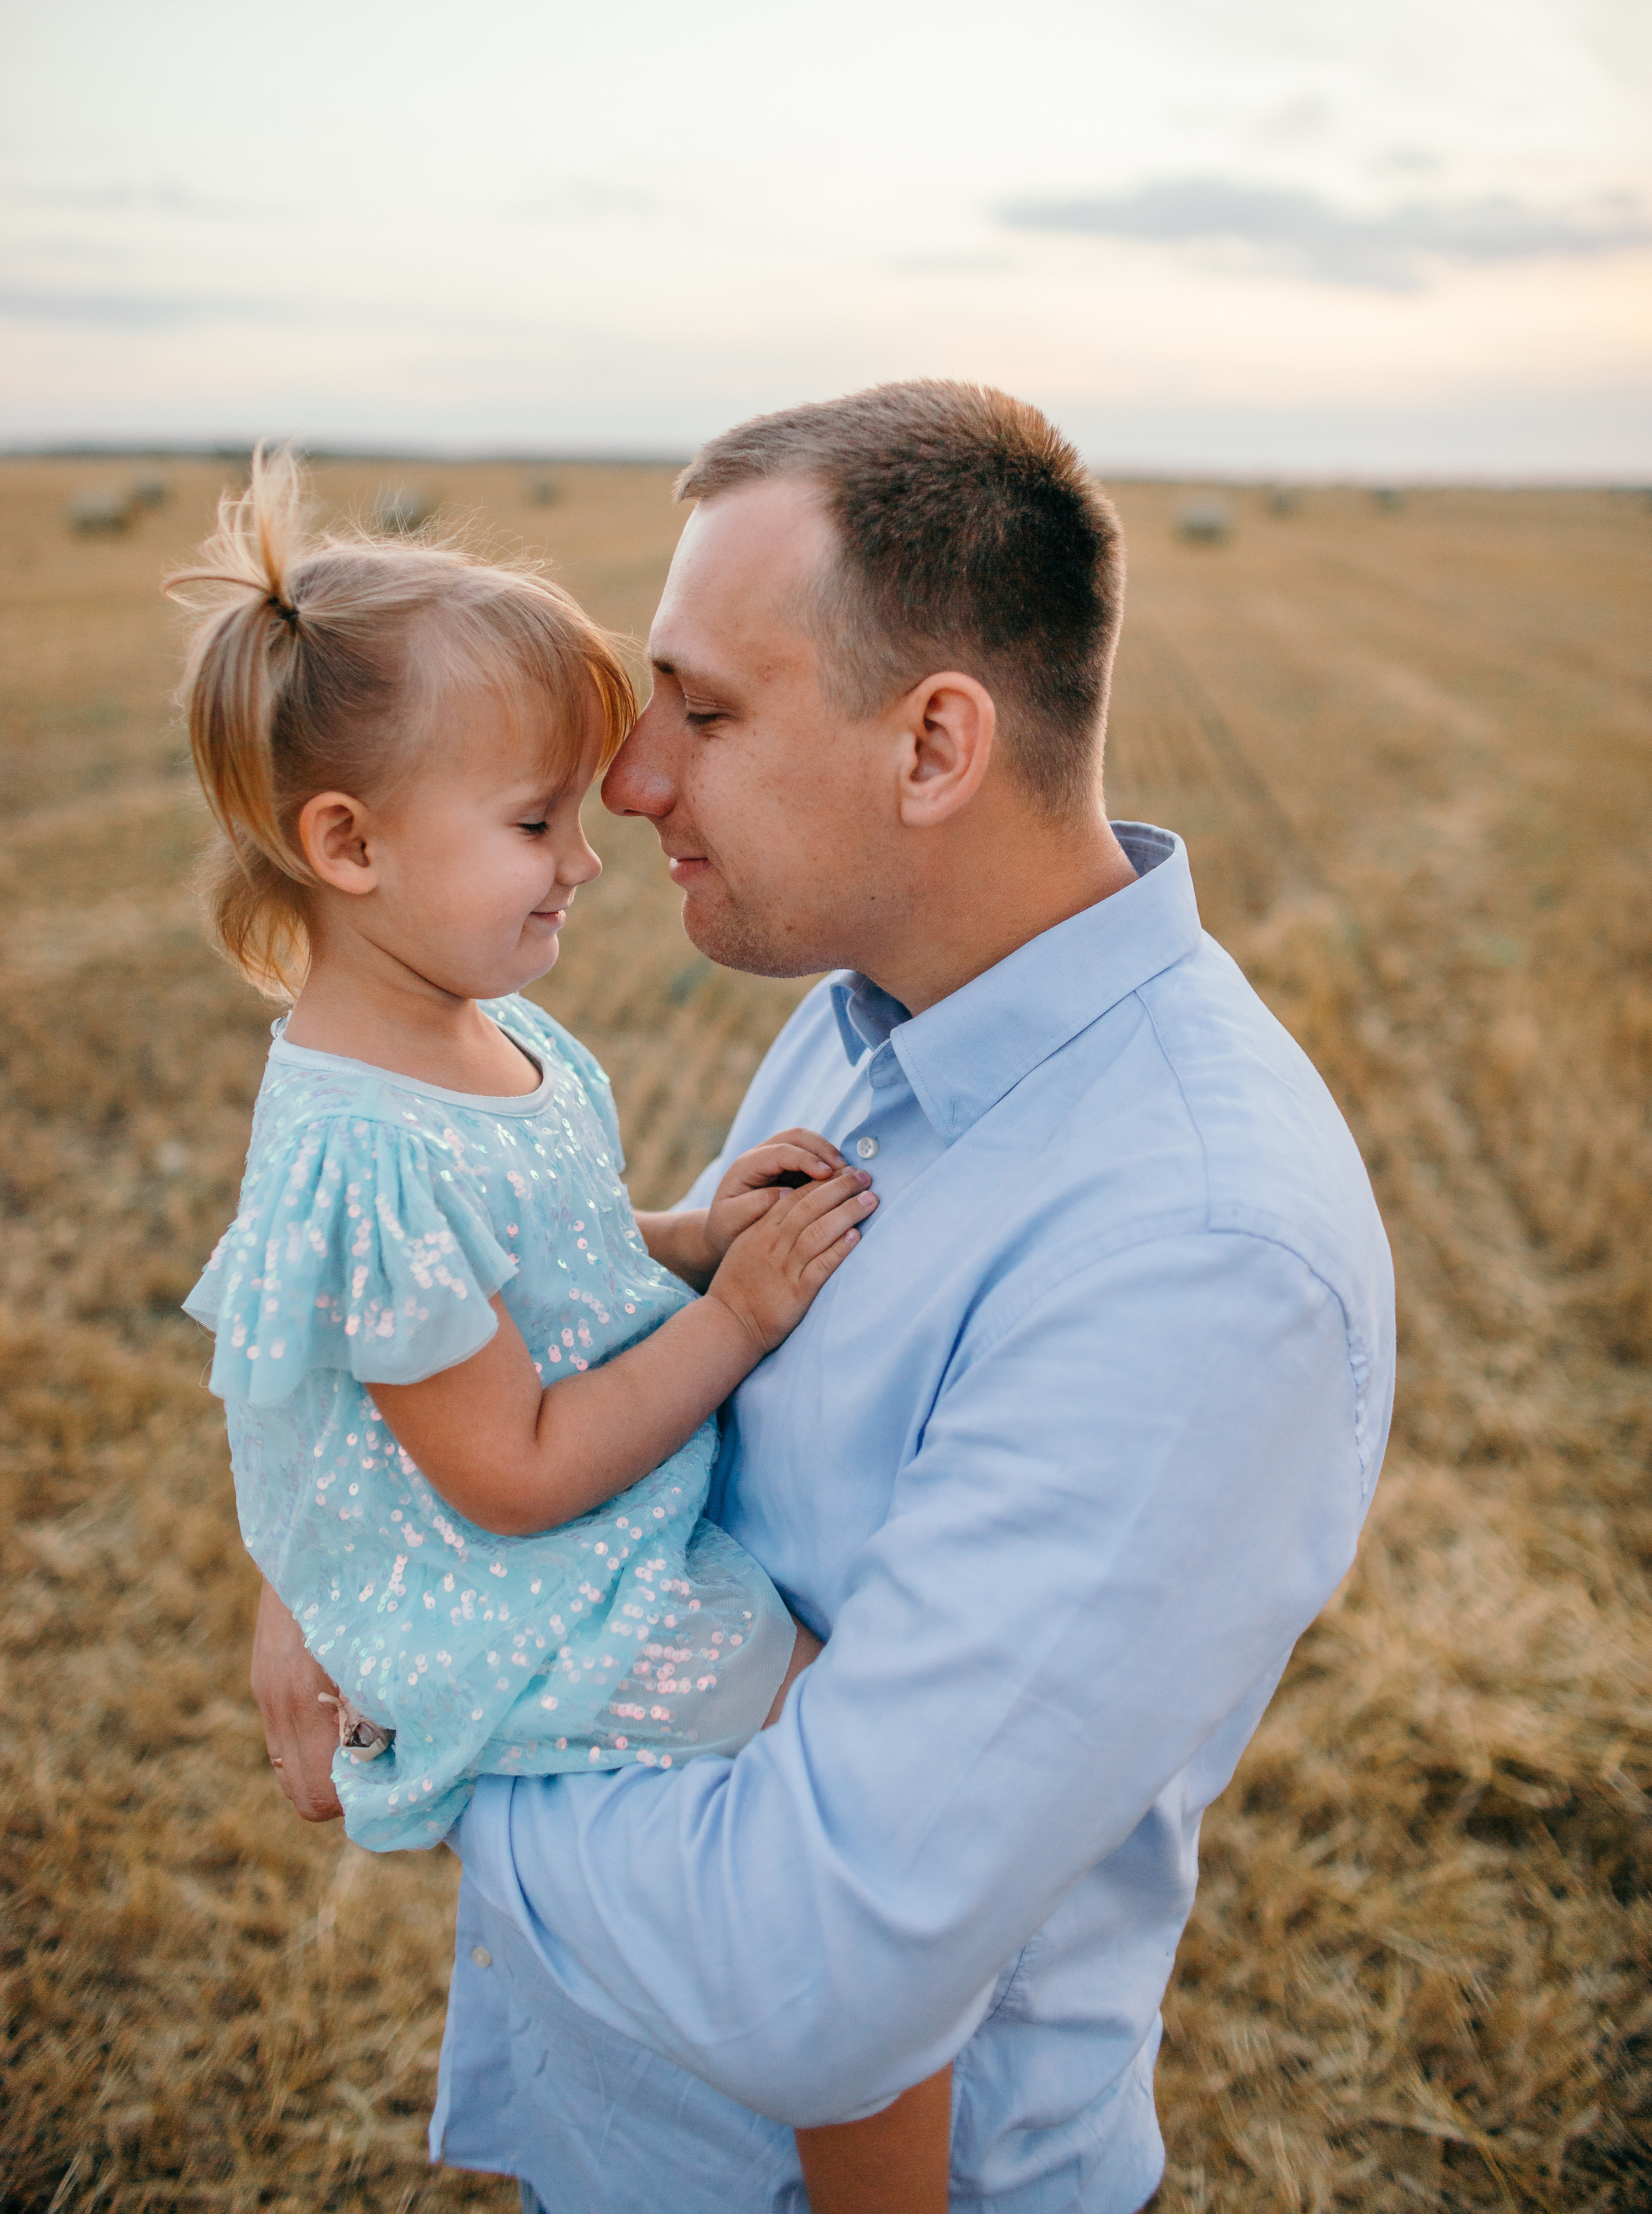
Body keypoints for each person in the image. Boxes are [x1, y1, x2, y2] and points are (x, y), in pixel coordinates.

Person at [254, 383, 1396, 2214]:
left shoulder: (1195, 1260)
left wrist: (428, 1683)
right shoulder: (864, 1016)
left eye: (701, 710)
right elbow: (556, 1345)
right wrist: (343, 1538)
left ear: (935, 746)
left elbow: (815, 1965)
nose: (631, 783)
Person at [171, 448, 954, 2210]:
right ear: (345, 846)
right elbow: (514, 1472)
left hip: (567, 1519)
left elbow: (560, 1271)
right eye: (536, 825)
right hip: (516, 1599)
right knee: (858, 1764)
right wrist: (743, 1317)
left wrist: (687, 1240)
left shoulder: (479, 1029)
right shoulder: (368, 1142)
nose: (586, 862)